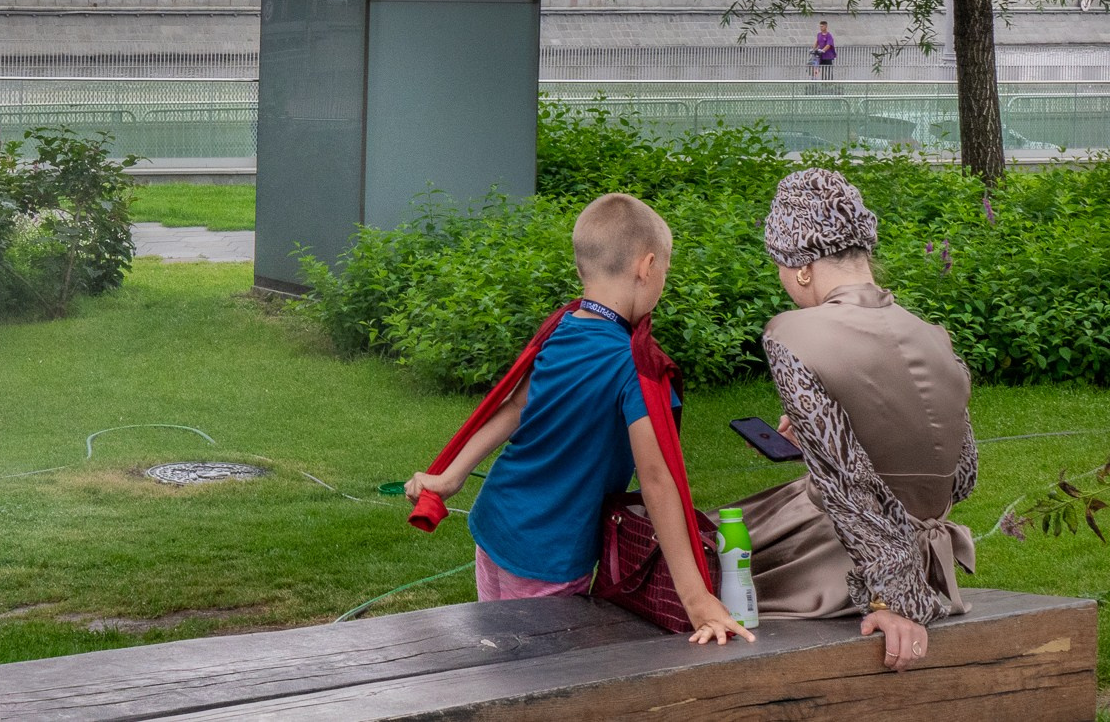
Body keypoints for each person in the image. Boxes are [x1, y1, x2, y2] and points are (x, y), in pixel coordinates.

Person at [406, 194, 753, 645]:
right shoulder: (638, 369)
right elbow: (658, 480)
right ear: (646, 267)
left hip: (496, 525)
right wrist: (696, 597)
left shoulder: (563, 328)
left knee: (496, 658)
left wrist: (452, 478)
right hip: (549, 555)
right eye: (665, 271)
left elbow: (514, 406)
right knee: (543, 677)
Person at [731, 169, 977, 673]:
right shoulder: (935, 336)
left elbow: (846, 482)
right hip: (927, 558)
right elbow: (963, 474)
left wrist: (892, 598)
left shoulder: (791, 334)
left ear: (802, 267)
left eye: (779, 264)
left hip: (839, 559)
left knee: (690, 550)